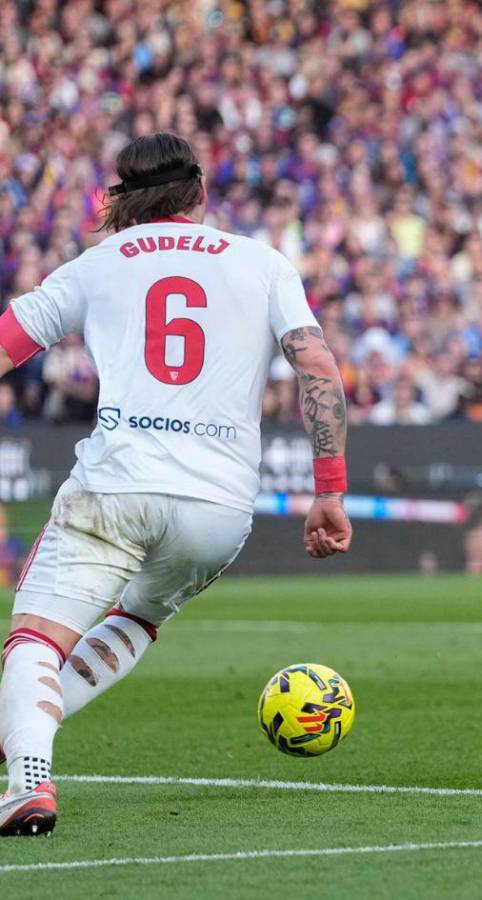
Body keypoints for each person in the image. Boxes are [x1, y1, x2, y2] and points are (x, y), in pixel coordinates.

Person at [0, 132, 353, 837]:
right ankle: (21, 730)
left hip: (118, 487)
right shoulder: (262, 261)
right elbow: (315, 362)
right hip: (220, 508)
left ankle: (28, 780)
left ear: (120, 197)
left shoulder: (96, 265)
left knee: (35, 642)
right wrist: (330, 488)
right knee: (137, 618)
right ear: (200, 191)